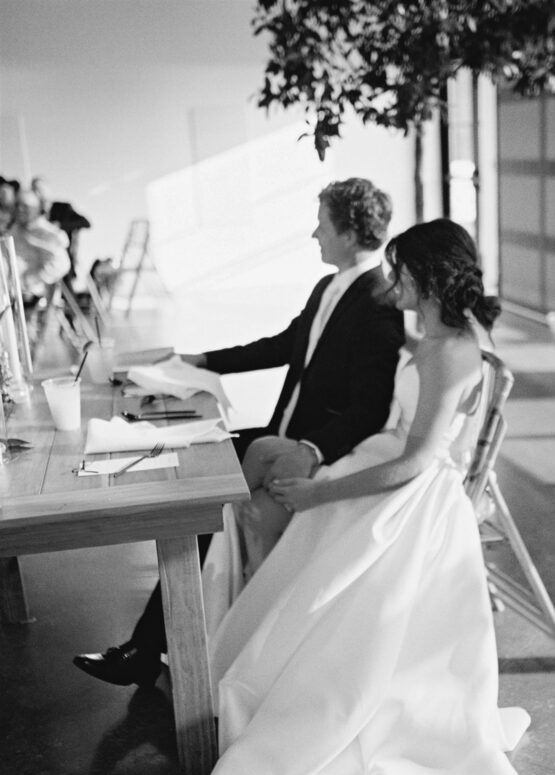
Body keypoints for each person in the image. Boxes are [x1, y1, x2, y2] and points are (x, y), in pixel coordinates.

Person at [198, 218, 539, 775]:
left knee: (328, 540)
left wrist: (324, 489)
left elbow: (418, 462)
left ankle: (312, 692)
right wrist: (333, 467)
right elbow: (395, 434)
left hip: (423, 498)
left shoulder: (456, 350)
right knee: (306, 524)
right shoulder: (425, 337)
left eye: (398, 270)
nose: (390, 281)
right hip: (393, 465)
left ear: (430, 278)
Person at [73, 177, 405, 688]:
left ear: (347, 230)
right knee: (193, 460)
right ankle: (167, 639)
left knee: (198, 491)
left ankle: (151, 646)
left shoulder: (378, 301)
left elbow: (371, 408)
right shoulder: (331, 286)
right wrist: (200, 360)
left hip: (304, 446)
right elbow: (285, 344)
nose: (314, 233)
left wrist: (312, 450)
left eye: (322, 223)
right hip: (282, 431)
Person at [9, 188, 70, 302]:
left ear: (36, 208)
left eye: (25, 206)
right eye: (17, 205)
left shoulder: (50, 234)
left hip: (37, 300)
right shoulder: (13, 231)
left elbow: (61, 265)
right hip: (12, 296)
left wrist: (30, 280)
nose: (20, 209)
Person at [31, 176, 91, 285]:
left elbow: (85, 222)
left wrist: (59, 226)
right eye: (34, 190)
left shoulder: (62, 208)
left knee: (67, 293)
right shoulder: (35, 216)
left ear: (48, 190)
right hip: (43, 265)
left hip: (64, 259)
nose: (38, 194)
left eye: (40, 190)